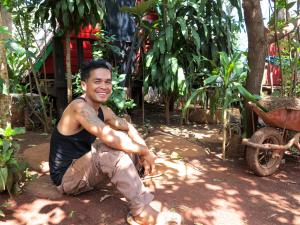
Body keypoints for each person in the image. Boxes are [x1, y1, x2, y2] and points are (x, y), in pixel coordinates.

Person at [49, 59, 181, 225]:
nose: (104, 86)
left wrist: (143, 149)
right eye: (97, 81)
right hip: (67, 179)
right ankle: (141, 211)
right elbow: (109, 136)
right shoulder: (79, 107)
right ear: (84, 85)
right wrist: (145, 152)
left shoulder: (103, 110)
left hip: (84, 170)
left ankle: (137, 177)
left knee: (125, 142)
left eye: (108, 82)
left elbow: (127, 127)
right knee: (110, 150)